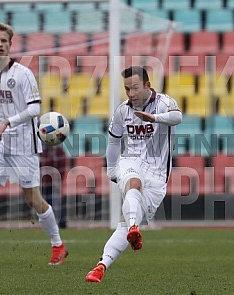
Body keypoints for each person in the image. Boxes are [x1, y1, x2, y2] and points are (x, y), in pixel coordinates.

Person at [0, 22, 68, 266]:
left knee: (33, 199)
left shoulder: (23, 74)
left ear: (10, 44)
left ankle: (58, 245)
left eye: (3, 41)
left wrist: (8, 122)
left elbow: (35, 108)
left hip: (23, 145)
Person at [85, 66, 182, 282]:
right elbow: (113, 140)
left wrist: (154, 119)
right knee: (133, 184)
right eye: (127, 88)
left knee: (123, 222)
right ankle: (133, 228)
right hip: (131, 161)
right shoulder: (122, 111)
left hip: (157, 175)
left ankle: (101, 266)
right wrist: (111, 169)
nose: (131, 93)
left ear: (148, 85)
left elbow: (178, 117)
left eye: (135, 88)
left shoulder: (164, 103)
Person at [40, 143, 68, 228]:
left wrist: (59, 178)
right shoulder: (41, 150)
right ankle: (49, 224)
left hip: (54, 182)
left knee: (55, 202)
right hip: (43, 183)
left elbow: (62, 164)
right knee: (46, 203)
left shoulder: (58, 151)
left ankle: (62, 223)